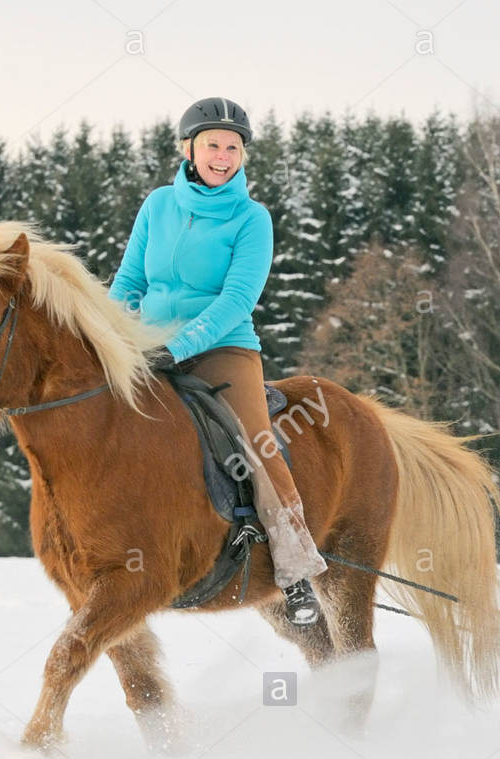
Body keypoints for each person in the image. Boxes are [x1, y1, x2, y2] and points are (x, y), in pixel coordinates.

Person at [109, 97, 327, 626]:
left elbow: (237, 298)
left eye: (233, 147)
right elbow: (130, 282)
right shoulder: (158, 205)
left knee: (256, 442)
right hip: (147, 341)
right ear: (188, 148)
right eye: (212, 145)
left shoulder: (252, 218)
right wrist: (112, 334)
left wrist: (179, 348)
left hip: (223, 347)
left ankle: (295, 572)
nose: (223, 155)